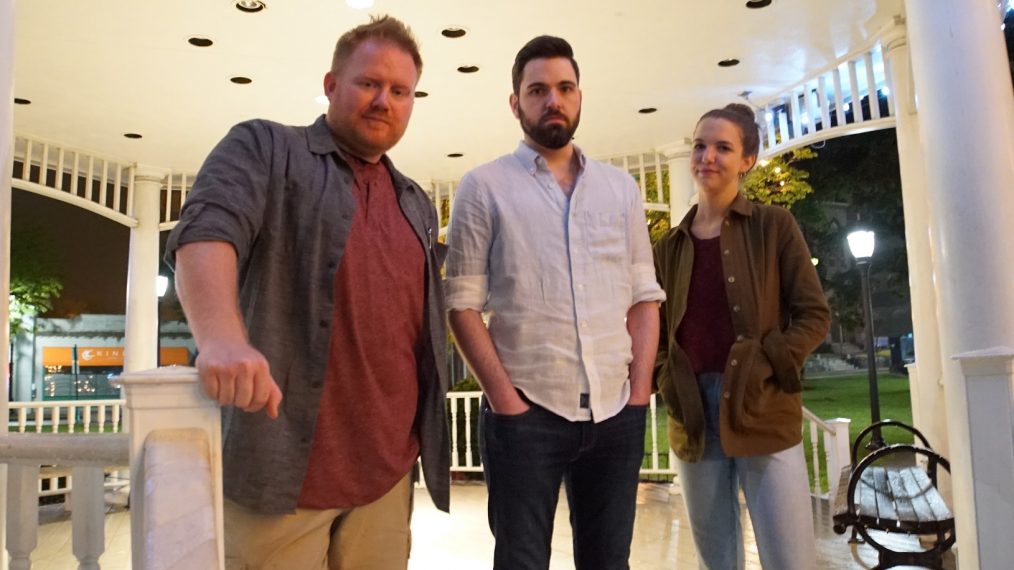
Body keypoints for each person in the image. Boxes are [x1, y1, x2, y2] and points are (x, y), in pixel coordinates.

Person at [165, 15, 449, 570]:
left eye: (400, 91)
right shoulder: (265, 147)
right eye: (368, 83)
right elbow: (206, 230)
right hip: (279, 477)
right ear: (330, 84)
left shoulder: (416, 201)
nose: (383, 100)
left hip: (386, 476)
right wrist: (222, 339)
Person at [445, 35, 665, 570]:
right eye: (538, 89)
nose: (554, 100)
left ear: (580, 96)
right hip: (527, 413)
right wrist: (504, 400)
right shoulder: (483, 187)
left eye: (565, 88)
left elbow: (643, 299)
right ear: (515, 102)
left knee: (609, 561)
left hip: (616, 413)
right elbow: (461, 304)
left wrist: (638, 397)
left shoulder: (620, 190)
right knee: (520, 562)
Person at [652, 103, 831, 569]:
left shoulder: (774, 226)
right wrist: (663, 377)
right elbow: (655, 331)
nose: (707, 156)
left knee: (789, 559)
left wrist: (769, 363)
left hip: (763, 409)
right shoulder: (668, 247)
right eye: (699, 145)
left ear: (747, 160)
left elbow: (814, 315)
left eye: (722, 147)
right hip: (692, 418)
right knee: (717, 560)